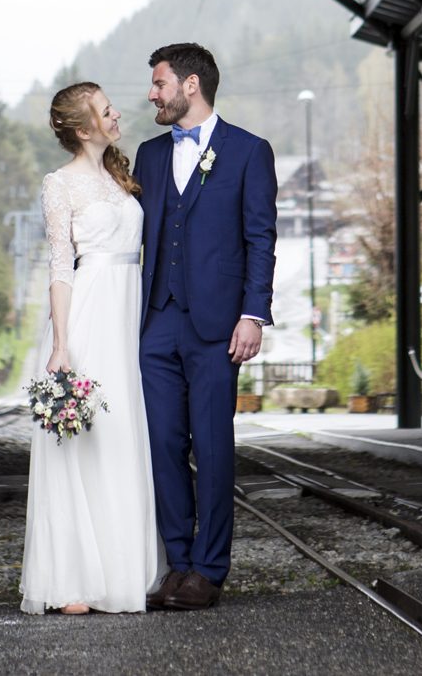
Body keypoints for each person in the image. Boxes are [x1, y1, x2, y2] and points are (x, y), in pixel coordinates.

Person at [136, 42, 277, 611]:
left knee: (214, 447)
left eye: (159, 83)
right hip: (156, 324)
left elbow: (260, 238)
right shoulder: (147, 155)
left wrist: (253, 314)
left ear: (190, 85)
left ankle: (208, 569)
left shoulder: (248, 151)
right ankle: (177, 563)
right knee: (162, 444)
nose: (152, 94)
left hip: (218, 326)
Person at [20, 82, 163, 615]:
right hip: (90, 315)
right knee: (86, 441)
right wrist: (61, 344)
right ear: (83, 129)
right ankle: (73, 579)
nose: (117, 113)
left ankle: (122, 572)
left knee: (124, 437)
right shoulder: (59, 185)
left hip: (129, 314)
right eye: (106, 110)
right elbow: (61, 267)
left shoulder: (122, 176)